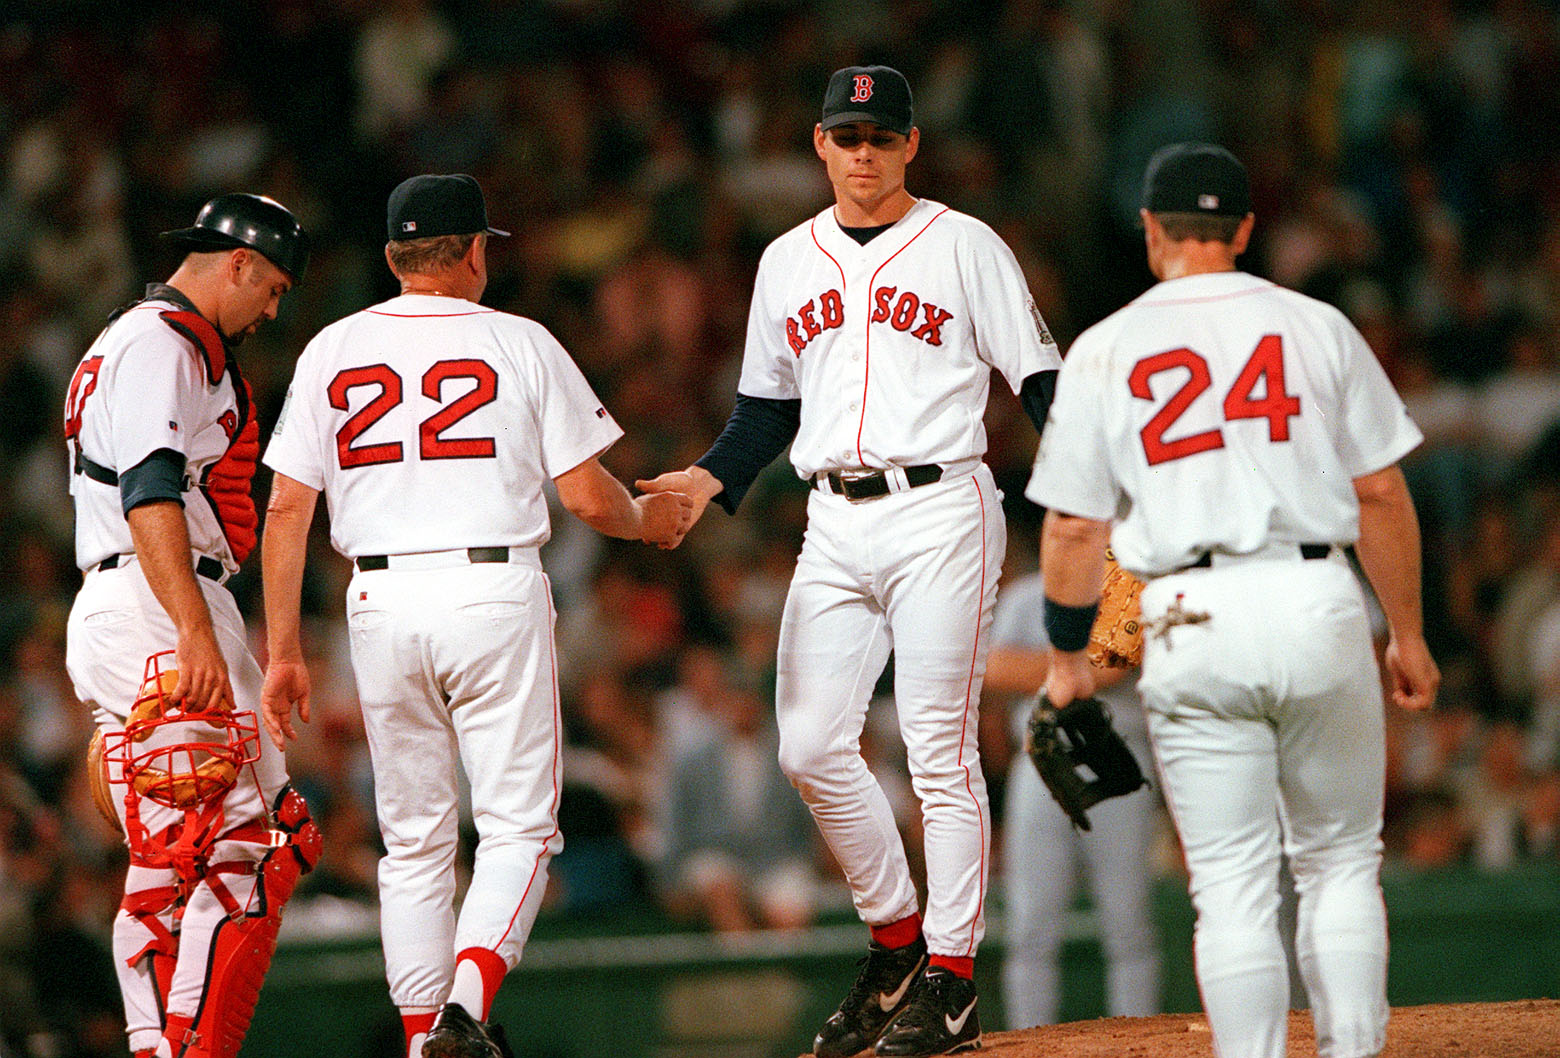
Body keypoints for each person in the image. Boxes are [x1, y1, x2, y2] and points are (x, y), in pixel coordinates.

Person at [638, 66, 1063, 1057]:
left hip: (941, 508)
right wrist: (706, 480)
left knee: (936, 747)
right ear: (819, 144)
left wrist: (1086, 497)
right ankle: (897, 942)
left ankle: (952, 980)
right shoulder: (787, 258)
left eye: (881, 134)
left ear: (912, 144)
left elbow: (1040, 377)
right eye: (847, 134)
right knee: (810, 745)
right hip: (831, 515)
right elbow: (767, 407)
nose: (863, 151)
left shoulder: (965, 245)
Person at [258, 173, 694, 1058]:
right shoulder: (517, 339)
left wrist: (282, 652)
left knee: (412, 839)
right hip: (490, 588)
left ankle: (424, 1041)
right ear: (472, 251)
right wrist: (654, 521)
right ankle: (465, 1005)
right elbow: (588, 497)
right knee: (518, 826)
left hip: (376, 599)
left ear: (391, 258)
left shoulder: (331, 347)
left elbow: (285, 512)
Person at [1029, 142, 1440, 1058]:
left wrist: (1067, 661)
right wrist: (1406, 632)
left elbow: (1070, 530)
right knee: (1340, 861)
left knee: (1230, 883)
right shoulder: (1317, 325)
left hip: (1189, 615)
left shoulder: (1107, 346)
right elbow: (1379, 492)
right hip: (1315, 598)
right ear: (1246, 229)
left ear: (1149, 231)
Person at [62, 193, 320, 1058]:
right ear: (238, 262)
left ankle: (161, 1043)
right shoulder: (160, 342)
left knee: (196, 853)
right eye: (273, 286)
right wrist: (193, 633)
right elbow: (151, 493)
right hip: (156, 597)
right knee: (234, 847)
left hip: (154, 597)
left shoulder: (153, 341)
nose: (274, 308)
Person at [983, 565, 1160, 1028]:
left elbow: (1112, 672)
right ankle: (1030, 1038)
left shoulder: (1133, 586)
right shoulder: (1028, 592)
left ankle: (1138, 1039)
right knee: (1029, 927)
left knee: (1129, 925)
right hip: (1039, 758)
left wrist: (1045, 665)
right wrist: (1076, 663)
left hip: (1119, 753)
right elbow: (992, 668)